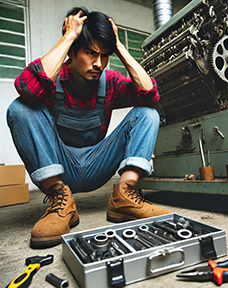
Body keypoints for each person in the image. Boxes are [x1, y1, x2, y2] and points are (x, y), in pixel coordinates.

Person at [7, 7, 171, 249]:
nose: (99, 63)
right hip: (61, 169)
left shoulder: (110, 82)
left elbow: (150, 94)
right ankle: (60, 201)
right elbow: (28, 88)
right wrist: (68, 37)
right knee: (20, 108)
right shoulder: (53, 79)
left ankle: (124, 196)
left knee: (147, 112)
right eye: (90, 53)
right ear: (73, 52)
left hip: (98, 165)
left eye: (104, 55)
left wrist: (119, 47)